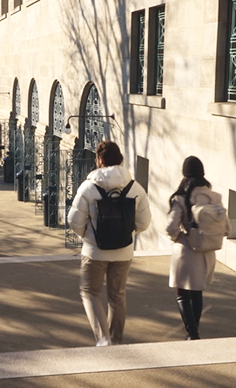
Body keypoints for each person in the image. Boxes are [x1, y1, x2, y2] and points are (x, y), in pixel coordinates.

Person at [66, 141, 151, 346]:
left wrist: (88, 236)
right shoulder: (135, 188)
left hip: (95, 251)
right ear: (120, 159)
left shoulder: (88, 187)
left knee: (90, 292)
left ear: (100, 160)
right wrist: (126, 232)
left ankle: (104, 340)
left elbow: (73, 220)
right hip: (123, 251)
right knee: (118, 296)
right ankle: (116, 339)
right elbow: (144, 222)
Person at [165, 156, 229, 340]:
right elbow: (226, 227)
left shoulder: (181, 198)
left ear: (184, 175)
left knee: (182, 294)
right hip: (207, 252)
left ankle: (192, 333)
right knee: (197, 293)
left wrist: (179, 237)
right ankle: (195, 332)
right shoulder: (214, 197)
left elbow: (170, 227)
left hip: (186, 252)